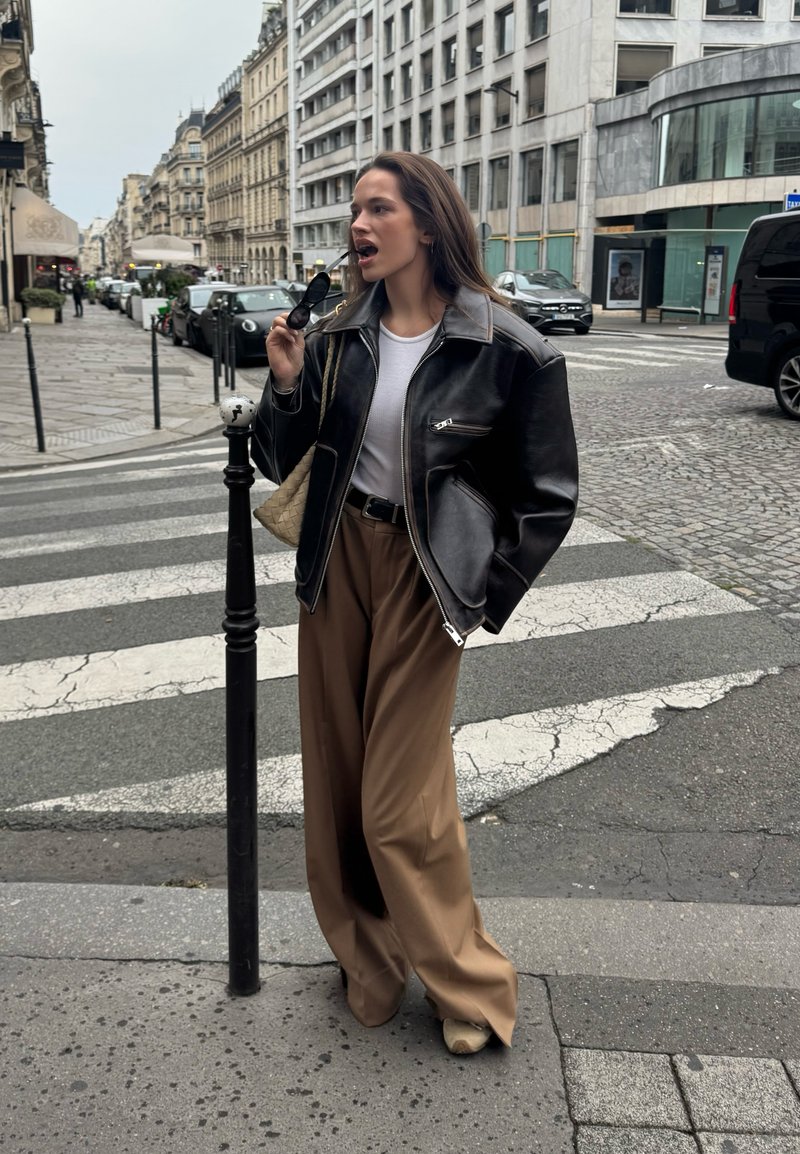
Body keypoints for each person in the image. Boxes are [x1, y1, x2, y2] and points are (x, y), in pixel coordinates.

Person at [251, 152, 578, 1056]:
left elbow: (548, 495)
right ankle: (369, 961)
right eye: (354, 211)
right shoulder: (340, 336)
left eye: (378, 209)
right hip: (337, 558)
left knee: (399, 803)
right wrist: (285, 383)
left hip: (428, 573)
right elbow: (283, 463)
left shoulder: (506, 347)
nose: (359, 225)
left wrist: (479, 594)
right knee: (337, 782)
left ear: (427, 224)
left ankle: (470, 983)